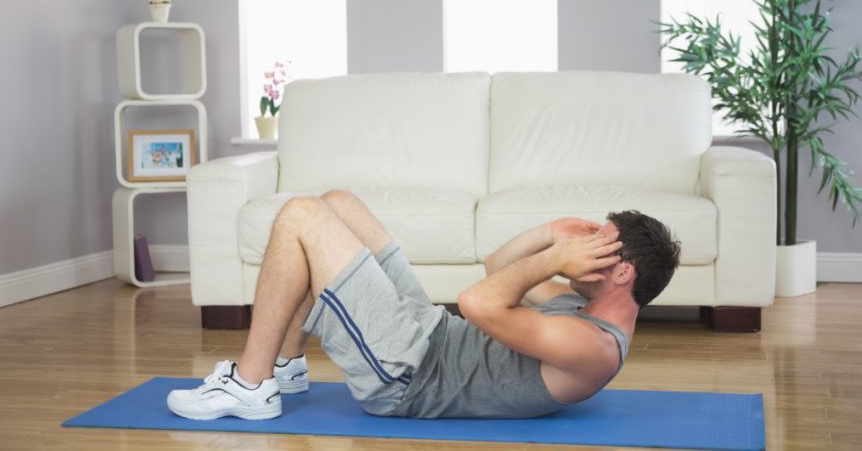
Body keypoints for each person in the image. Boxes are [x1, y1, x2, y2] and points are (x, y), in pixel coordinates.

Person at [167, 190, 680, 420]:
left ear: (622, 273)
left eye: (601, 244)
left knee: (302, 216)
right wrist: (553, 234)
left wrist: (555, 260)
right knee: (338, 203)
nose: (584, 250)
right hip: (428, 333)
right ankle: (289, 365)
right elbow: (496, 264)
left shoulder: (592, 347)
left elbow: (477, 302)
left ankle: (252, 385)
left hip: (407, 375)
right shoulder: (577, 309)